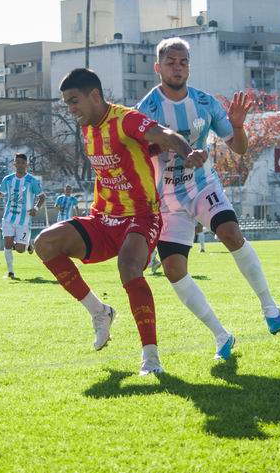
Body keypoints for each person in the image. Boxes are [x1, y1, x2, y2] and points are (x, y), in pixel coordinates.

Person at [34, 68, 206, 375]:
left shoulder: (125, 119)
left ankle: (150, 358)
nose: (71, 110)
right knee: (45, 243)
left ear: (95, 96)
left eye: (74, 101)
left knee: (128, 267)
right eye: (67, 104)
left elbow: (163, 135)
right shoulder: (88, 128)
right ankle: (100, 312)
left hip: (140, 216)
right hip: (102, 219)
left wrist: (188, 151)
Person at [136, 37, 280, 360]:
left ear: (189, 66)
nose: (177, 67)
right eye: (170, 62)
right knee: (174, 270)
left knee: (232, 234)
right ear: (157, 67)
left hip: (203, 186)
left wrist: (236, 125)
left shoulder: (204, 103)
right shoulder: (145, 110)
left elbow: (240, 148)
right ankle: (221, 336)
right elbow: (138, 154)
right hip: (167, 200)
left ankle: (269, 306)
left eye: (183, 62)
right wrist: (161, 147)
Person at [0, 154, 46, 279]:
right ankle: (10, 272)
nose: (20, 164)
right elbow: (1, 192)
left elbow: (42, 197)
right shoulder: (8, 179)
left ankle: (28, 244)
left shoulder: (32, 181)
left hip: (24, 219)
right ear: (14, 164)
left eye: (22, 162)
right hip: (8, 217)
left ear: (26, 164)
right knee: (7, 243)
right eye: (17, 162)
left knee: (20, 249)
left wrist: (35, 208)